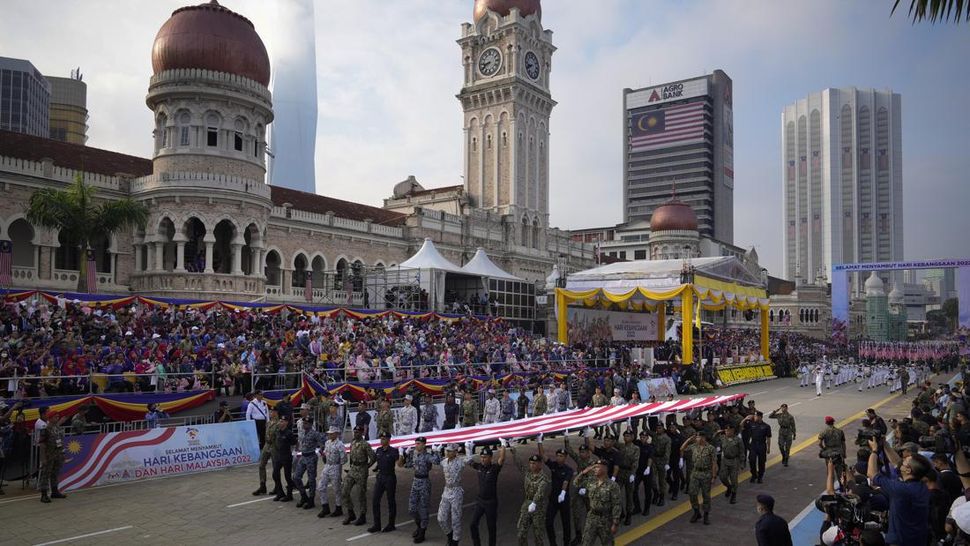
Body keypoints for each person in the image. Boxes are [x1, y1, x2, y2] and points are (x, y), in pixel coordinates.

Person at [866, 437, 930, 545]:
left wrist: (874, 451)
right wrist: (885, 444)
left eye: (905, 461)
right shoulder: (922, 487)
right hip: (918, 539)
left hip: (900, 542)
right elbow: (897, 463)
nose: (902, 460)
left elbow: (871, 474)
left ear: (908, 470)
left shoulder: (900, 489)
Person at [399, 436, 442, 544]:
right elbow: (408, 465)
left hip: (424, 482)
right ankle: (419, 527)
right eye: (416, 443)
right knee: (412, 509)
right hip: (415, 481)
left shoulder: (427, 456)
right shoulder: (414, 454)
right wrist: (406, 454)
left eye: (418, 443)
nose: (416, 445)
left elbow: (437, 462)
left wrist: (436, 451)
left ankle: (422, 532)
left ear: (423, 445)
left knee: (423, 509)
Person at [538, 433, 574, 546]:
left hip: (564, 499)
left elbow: (566, 481)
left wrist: (563, 493)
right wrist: (539, 441)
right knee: (548, 522)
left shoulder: (569, 470)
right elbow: (543, 455)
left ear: (565, 457)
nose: (559, 458)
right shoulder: (553, 465)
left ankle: (566, 543)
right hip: (553, 498)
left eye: (561, 456)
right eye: (558, 456)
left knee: (566, 523)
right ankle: (553, 543)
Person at [574, 459, 621, 546]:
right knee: (585, 543)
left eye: (597, 467)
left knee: (607, 543)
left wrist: (615, 523)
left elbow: (616, 505)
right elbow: (576, 483)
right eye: (594, 467)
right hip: (592, 518)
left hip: (606, 519)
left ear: (605, 469)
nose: (594, 469)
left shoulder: (613, 486)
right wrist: (584, 472)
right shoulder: (591, 482)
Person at [469, 440, 506, 546]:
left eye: (485, 457)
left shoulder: (494, 468)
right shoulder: (479, 467)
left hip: (491, 503)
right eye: (481, 457)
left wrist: (503, 445)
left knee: (491, 528)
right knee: (473, 524)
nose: (483, 459)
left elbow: (502, 459)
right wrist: (468, 448)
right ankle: (477, 543)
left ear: (490, 458)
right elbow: (469, 461)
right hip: (480, 501)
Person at [438, 442, 473, 546]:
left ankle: (455, 541)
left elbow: (469, 460)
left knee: (455, 519)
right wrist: (436, 450)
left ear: (455, 452)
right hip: (446, 491)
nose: (447, 453)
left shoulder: (460, 462)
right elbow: (437, 460)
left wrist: (468, 448)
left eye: (450, 451)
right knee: (441, 519)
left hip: (456, 491)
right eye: (447, 451)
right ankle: (449, 535)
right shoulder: (444, 462)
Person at [343, 425, 377, 526]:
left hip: (362, 470)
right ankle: (350, 512)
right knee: (344, 490)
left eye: (358, 432)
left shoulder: (365, 444)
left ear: (362, 433)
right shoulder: (352, 442)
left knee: (361, 494)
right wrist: (350, 467)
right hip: (353, 469)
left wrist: (367, 466)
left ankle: (362, 516)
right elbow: (351, 457)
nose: (355, 433)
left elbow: (373, 457)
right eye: (354, 432)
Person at [514, 450, 550, 546]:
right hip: (527, 504)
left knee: (538, 536)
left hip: (538, 507)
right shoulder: (528, 473)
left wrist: (534, 503)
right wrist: (513, 450)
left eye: (534, 463)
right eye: (530, 463)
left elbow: (540, 492)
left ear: (540, 464)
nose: (532, 465)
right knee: (521, 533)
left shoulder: (544, 478)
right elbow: (519, 464)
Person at [682, 431, 717, 525]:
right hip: (695, 472)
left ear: (703, 438)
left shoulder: (710, 448)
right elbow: (682, 449)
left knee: (706, 495)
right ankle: (696, 512)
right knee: (692, 493)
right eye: (696, 437)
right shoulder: (694, 446)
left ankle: (706, 515)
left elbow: (714, 463)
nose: (697, 439)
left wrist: (714, 476)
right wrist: (689, 440)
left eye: (698, 437)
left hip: (706, 473)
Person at [368, 431, 400, 533]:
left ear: (389, 440)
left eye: (384, 438)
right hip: (380, 477)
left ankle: (391, 524)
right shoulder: (378, 450)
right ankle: (377, 524)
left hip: (390, 477)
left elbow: (399, 464)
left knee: (391, 501)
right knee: (375, 501)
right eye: (381, 438)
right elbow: (377, 462)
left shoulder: (394, 451)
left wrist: (402, 454)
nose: (382, 440)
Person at [293, 416, 322, 510]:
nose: (304, 425)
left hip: (311, 457)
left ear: (310, 424)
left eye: (306, 423)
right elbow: (299, 442)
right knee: (296, 477)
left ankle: (311, 499)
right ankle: (303, 496)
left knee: (311, 480)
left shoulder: (314, 433)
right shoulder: (302, 432)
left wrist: (322, 451)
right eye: (303, 423)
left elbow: (324, 442)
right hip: (303, 456)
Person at [317, 426, 345, 518]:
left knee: (336, 489)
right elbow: (325, 453)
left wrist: (339, 468)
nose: (330, 435)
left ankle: (338, 508)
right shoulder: (327, 442)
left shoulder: (340, 444)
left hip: (335, 466)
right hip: (327, 465)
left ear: (336, 434)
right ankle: (325, 507)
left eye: (332, 434)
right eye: (329, 434)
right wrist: (323, 454)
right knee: (321, 487)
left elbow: (344, 459)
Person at [38, 412, 66, 503]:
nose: (57, 418)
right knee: (45, 474)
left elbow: (60, 442)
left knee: (55, 473)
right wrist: (43, 458)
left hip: (57, 454)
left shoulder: (57, 428)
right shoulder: (45, 429)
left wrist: (62, 454)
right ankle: (44, 494)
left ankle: (54, 491)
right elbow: (42, 444)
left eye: (58, 417)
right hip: (48, 455)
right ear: (49, 418)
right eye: (55, 417)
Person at [253, 407, 280, 496]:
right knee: (261, 465)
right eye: (270, 411)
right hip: (267, 445)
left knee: (275, 467)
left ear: (276, 413)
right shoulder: (268, 423)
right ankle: (262, 485)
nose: (271, 413)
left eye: (273, 411)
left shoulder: (279, 423)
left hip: (274, 446)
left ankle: (277, 486)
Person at [715, 423, 742, 504]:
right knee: (722, 477)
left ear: (733, 431)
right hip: (725, 460)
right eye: (726, 430)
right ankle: (729, 487)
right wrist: (717, 432)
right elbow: (714, 439)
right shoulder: (723, 438)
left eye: (729, 431)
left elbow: (742, 451)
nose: (727, 432)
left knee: (734, 479)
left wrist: (742, 462)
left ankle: (734, 495)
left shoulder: (738, 440)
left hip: (734, 461)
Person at [272, 415, 296, 502]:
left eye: (282, 421)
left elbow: (294, 442)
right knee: (275, 474)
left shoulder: (289, 433)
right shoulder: (278, 431)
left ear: (286, 423)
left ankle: (289, 495)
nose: (280, 422)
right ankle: (280, 492)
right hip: (278, 456)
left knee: (287, 477)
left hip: (286, 457)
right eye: (280, 421)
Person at [743, 412, 771, 484]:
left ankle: (760, 477)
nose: (754, 417)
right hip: (753, 445)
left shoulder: (766, 426)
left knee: (761, 462)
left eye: (756, 416)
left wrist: (768, 448)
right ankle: (754, 474)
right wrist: (745, 419)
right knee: (751, 460)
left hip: (762, 445)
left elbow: (768, 438)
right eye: (754, 416)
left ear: (760, 417)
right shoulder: (752, 424)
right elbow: (741, 425)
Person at [818, 416, 847, 484]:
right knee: (840, 472)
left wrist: (824, 448)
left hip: (829, 453)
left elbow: (819, 443)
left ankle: (831, 488)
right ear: (833, 422)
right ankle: (842, 487)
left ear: (826, 422)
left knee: (830, 471)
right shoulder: (840, 431)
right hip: (838, 452)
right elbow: (843, 443)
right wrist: (844, 453)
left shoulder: (823, 432)